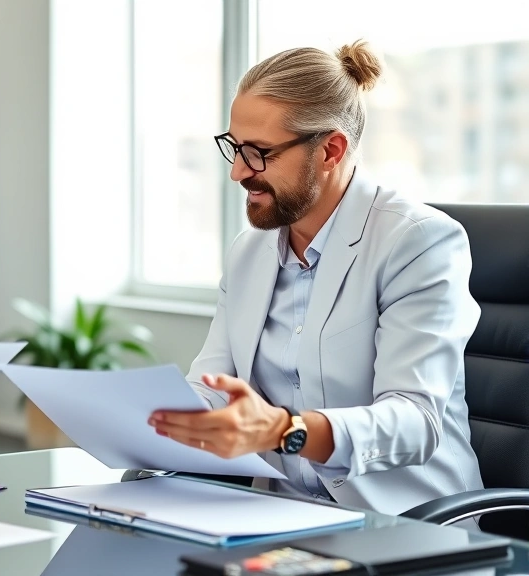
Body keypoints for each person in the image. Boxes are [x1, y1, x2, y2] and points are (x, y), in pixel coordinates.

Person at [147, 40, 484, 516]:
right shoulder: (249, 253)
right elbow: (214, 387)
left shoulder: (418, 242)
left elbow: (416, 421)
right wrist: (147, 416)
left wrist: (283, 430)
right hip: (280, 520)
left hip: (404, 523)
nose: (239, 172)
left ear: (330, 150)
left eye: (259, 152)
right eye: (234, 148)